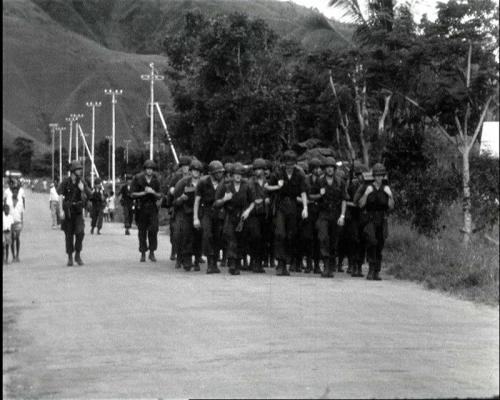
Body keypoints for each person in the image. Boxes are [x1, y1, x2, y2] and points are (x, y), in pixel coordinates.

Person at [265, 150, 309, 276]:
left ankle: (287, 262)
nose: (289, 167)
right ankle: (280, 262)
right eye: (287, 164)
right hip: (280, 205)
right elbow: (267, 187)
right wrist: (277, 187)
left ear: (295, 164)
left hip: (293, 206)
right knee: (280, 233)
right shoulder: (278, 173)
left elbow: (303, 192)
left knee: (291, 235)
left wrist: (305, 207)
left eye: (292, 164)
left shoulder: (299, 174)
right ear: (284, 164)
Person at [214, 162, 254, 275]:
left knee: (241, 239)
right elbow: (216, 202)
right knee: (231, 239)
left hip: (242, 216)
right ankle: (231, 263)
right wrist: (225, 199)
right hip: (229, 215)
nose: (238, 176)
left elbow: (252, 202)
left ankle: (238, 263)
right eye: (236, 174)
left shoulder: (246, 186)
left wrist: (247, 211)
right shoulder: (225, 185)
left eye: (240, 174)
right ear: (232, 175)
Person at [358, 163, 394, 281]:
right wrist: (366, 193)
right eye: (377, 176)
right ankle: (371, 269)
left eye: (381, 176)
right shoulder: (368, 187)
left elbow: (391, 207)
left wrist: (390, 195)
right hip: (370, 219)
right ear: (374, 176)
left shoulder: (386, 188)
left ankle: (377, 271)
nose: (379, 178)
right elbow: (361, 204)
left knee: (380, 245)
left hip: (382, 219)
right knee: (371, 242)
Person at [316, 157, 348, 278]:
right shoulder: (319, 181)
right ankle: (325, 265)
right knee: (323, 237)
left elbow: (344, 199)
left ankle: (331, 266)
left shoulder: (340, 182)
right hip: (323, 213)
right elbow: (310, 195)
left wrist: (343, 215)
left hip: (336, 214)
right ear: (325, 169)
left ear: (334, 169)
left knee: (334, 241)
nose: (329, 169)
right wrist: (320, 194)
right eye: (327, 167)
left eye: (331, 167)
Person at [193, 160, 225, 274]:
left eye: (221, 172)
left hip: (219, 212)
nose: (220, 174)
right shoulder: (203, 182)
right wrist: (195, 218)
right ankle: (210, 261)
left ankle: (215, 262)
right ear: (212, 173)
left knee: (218, 237)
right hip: (206, 211)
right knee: (207, 235)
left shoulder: (224, 183)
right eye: (218, 172)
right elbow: (197, 201)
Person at [58, 160, 92, 266]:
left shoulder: (82, 181)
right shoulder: (66, 181)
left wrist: (83, 189)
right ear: (73, 170)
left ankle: (77, 254)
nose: (80, 171)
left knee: (80, 233)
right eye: (78, 169)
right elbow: (60, 196)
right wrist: (61, 210)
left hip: (78, 211)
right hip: (68, 211)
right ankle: (70, 257)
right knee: (68, 235)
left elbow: (90, 194)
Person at [173, 159, 203, 271]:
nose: (195, 172)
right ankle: (186, 260)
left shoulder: (203, 183)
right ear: (191, 171)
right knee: (186, 236)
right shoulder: (182, 183)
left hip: (200, 213)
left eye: (198, 171)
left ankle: (197, 260)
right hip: (186, 212)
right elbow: (175, 202)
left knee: (199, 238)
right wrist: (181, 198)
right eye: (194, 170)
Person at [131, 160, 162, 262]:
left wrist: (153, 192)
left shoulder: (156, 180)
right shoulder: (138, 179)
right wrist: (144, 193)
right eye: (148, 169)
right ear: (145, 170)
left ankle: (152, 252)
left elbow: (160, 195)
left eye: (151, 169)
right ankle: (143, 252)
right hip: (141, 207)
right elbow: (132, 194)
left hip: (152, 207)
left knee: (153, 229)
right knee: (142, 231)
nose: (150, 171)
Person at [245, 158, 270, 273]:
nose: (258, 171)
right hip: (253, 214)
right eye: (256, 169)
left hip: (265, 214)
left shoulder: (268, 182)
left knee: (263, 239)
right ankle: (254, 262)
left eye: (260, 169)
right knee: (255, 237)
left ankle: (258, 263)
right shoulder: (249, 183)